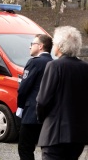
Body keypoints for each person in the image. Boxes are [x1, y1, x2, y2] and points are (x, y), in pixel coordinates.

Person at [36, 26, 88, 160]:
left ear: (59, 46)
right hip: (78, 134)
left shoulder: (54, 66)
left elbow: (43, 100)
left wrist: (42, 119)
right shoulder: (85, 68)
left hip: (55, 133)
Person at [17, 34, 53, 160]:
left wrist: (20, 107)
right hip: (49, 113)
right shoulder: (54, 63)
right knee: (47, 150)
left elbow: (23, 88)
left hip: (32, 111)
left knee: (25, 148)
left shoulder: (35, 62)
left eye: (32, 44)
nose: (30, 47)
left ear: (40, 46)